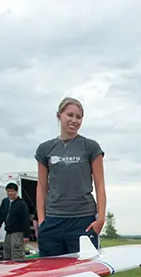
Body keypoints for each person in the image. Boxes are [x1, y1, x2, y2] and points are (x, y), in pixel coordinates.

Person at [34, 97, 106, 256]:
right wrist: (41, 220)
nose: (74, 120)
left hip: (83, 220)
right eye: (70, 115)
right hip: (53, 220)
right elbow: (41, 186)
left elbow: (100, 185)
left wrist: (100, 218)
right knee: (51, 274)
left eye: (78, 117)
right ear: (59, 116)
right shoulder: (45, 149)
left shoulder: (90, 147)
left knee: (83, 273)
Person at [0, 182, 31, 261]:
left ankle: (19, 266)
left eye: (12, 191)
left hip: (18, 232)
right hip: (8, 231)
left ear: (16, 192)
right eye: (8, 191)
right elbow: (1, 215)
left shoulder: (21, 203)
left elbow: (26, 219)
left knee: (17, 251)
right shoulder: (5, 202)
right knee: (7, 250)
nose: (10, 193)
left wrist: (26, 235)